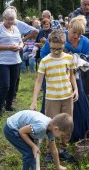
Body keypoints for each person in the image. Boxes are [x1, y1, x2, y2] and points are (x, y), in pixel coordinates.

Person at [40, 15, 89, 144]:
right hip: (56, 77)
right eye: (74, 32)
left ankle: (73, 133)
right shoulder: (59, 37)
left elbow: (87, 61)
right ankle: (53, 134)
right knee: (54, 105)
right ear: (69, 28)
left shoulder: (86, 42)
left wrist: (77, 59)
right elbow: (43, 54)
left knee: (76, 101)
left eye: (80, 33)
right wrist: (60, 57)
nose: (76, 36)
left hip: (74, 77)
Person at [30, 30, 78, 162]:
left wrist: (76, 89)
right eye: (53, 49)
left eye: (59, 49)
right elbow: (39, 81)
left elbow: (72, 75)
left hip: (67, 97)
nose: (56, 51)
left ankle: (64, 148)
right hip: (52, 98)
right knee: (51, 124)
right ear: (49, 45)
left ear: (64, 45)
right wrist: (34, 101)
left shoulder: (69, 58)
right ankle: (51, 150)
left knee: (67, 123)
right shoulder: (45, 61)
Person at [3, 110, 71, 170]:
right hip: (11, 129)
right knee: (29, 153)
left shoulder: (51, 128)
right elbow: (21, 131)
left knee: (32, 151)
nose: (61, 137)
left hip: (22, 128)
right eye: (61, 135)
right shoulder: (41, 126)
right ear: (56, 129)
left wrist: (58, 166)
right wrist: (33, 146)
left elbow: (54, 150)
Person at [0, 8, 23, 120]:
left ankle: (8, 106)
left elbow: (20, 41)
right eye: (8, 19)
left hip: (16, 61)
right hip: (2, 62)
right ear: (4, 18)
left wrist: (20, 46)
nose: (10, 21)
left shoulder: (16, 29)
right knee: (5, 85)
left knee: (13, 86)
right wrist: (9, 47)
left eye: (12, 19)